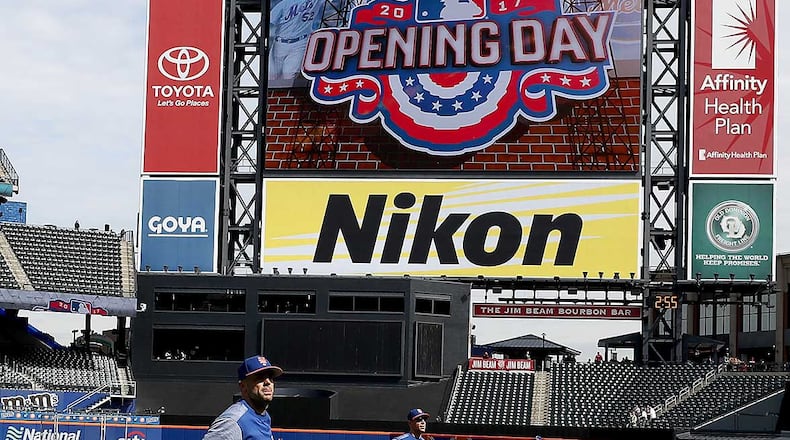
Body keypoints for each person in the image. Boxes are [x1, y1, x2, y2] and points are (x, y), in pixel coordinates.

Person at [202, 355, 284, 440]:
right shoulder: (233, 422)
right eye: (259, 377)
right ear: (243, 386)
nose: (267, 382)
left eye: (270, 377)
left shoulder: (264, 415)